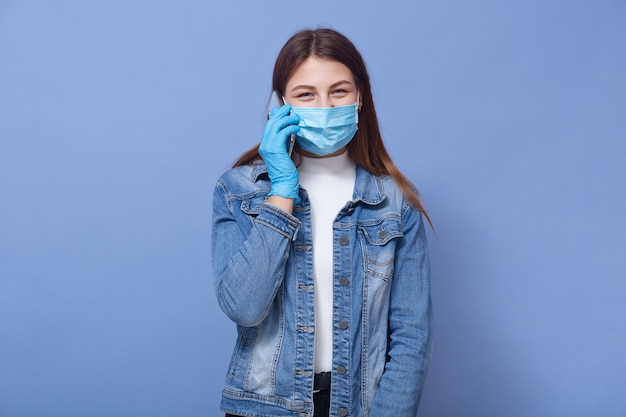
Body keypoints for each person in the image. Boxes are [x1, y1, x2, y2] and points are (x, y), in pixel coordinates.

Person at [212, 28, 433, 417]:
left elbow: (412, 336)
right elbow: (245, 308)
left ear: (360, 97)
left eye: (339, 91)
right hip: (264, 408)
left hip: (360, 407)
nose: (325, 106)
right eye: (305, 94)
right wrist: (281, 190)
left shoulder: (397, 202)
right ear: (278, 104)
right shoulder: (238, 190)